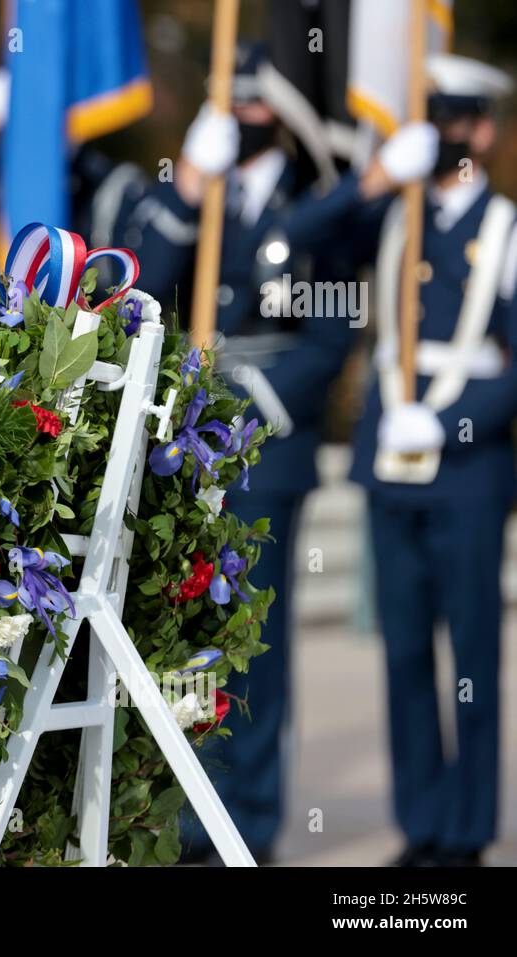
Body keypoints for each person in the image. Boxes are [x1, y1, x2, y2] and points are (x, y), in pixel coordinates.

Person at [261, 53, 516, 866]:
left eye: (456, 121)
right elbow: (287, 242)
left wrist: (455, 422)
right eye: (432, 119)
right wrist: (372, 180)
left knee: (471, 653)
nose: (443, 136)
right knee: (404, 649)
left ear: (485, 130)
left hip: (468, 466)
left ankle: (469, 828)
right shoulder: (396, 214)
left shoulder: (506, 229)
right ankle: (422, 821)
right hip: (387, 463)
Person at [124, 43, 359, 864]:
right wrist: (189, 184)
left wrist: (251, 411)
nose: (248, 118)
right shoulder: (196, 193)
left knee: (252, 641)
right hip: (184, 449)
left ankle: (248, 825)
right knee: (186, 635)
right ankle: (187, 820)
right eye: (237, 103)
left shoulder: (315, 205)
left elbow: (336, 326)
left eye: (260, 104)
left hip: (264, 446)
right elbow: (141, 281)